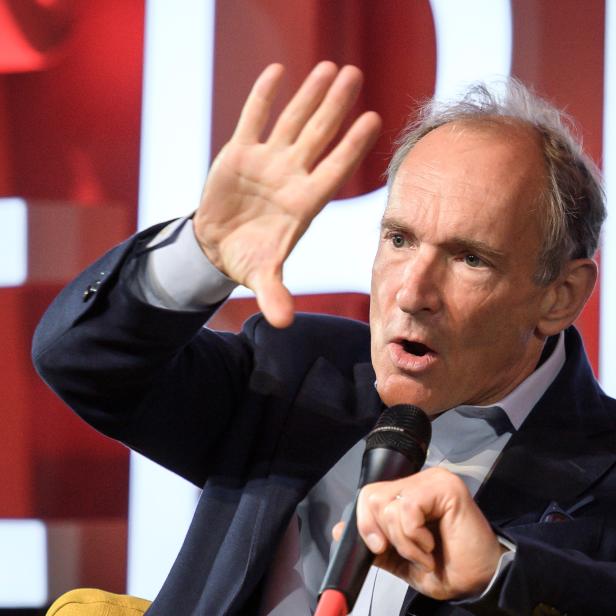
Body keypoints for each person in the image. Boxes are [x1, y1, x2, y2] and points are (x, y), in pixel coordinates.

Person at [33, 62, 616, 616]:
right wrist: (200, 253)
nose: (412, 293)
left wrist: (499, 573)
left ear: (560, 295)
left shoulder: (604, 466)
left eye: (470, 258)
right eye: (400, 239)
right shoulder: (295, 375)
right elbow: (84, 361)